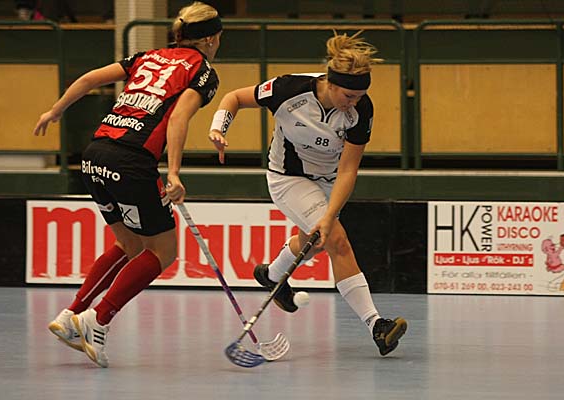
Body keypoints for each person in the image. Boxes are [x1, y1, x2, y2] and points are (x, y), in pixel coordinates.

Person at [33, 1, 222, 367]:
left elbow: (90, 78)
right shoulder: (202, 71)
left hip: (95, 154)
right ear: (212, 39)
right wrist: (174, 172)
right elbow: (178, 118)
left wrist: (55, 110)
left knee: (129, 243)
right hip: (132, 161)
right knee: (163, 251)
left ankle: (71, 315)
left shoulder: (147, 56)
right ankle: (98, 319)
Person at [208, 31, 407, 356]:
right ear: (331, 83)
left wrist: (328, 215)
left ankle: (271, 275)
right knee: (337, 241)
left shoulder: (361, 109)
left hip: (329, 180)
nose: (353, 102)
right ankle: (377, 326)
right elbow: (234, 98)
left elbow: (348, 169)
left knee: (314, 241)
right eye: (349, 95)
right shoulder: (289, 90)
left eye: (359, 96)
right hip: (289, 178)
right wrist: (219, 127)